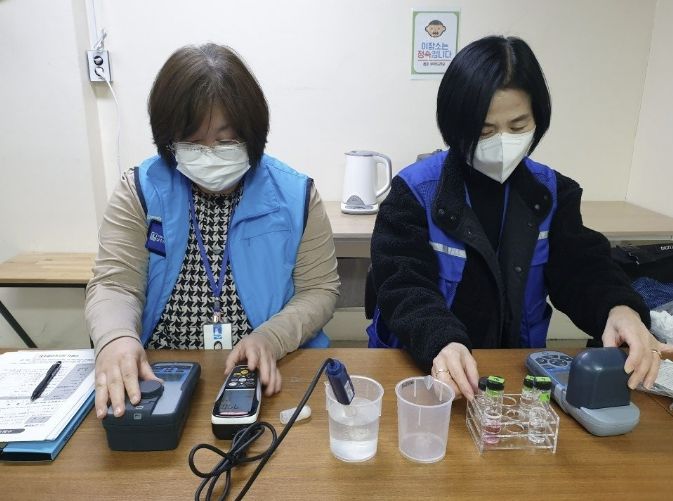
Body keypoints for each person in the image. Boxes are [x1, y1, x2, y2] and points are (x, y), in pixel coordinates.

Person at [368, 35, 668, 400]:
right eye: (484, 131)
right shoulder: (415, 192)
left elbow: (581, 269)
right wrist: (441, 340)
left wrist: (619, 308)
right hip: (425, 370)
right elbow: (402, 284)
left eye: (518, 126)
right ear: (455, 124)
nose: (501, 142)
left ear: (537, 119)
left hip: (513, 370)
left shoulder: (552, 192)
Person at [86, 43, 340, 419]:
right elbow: (114, 285)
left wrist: (271, 338)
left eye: (225, 141)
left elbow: (319, 289)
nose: (209, 155)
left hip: (269, 377)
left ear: (252, 135)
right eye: (192, 143)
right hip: (160, 378)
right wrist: (116, 338)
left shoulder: (295, 195)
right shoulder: (139, 191)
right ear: (169, 141)